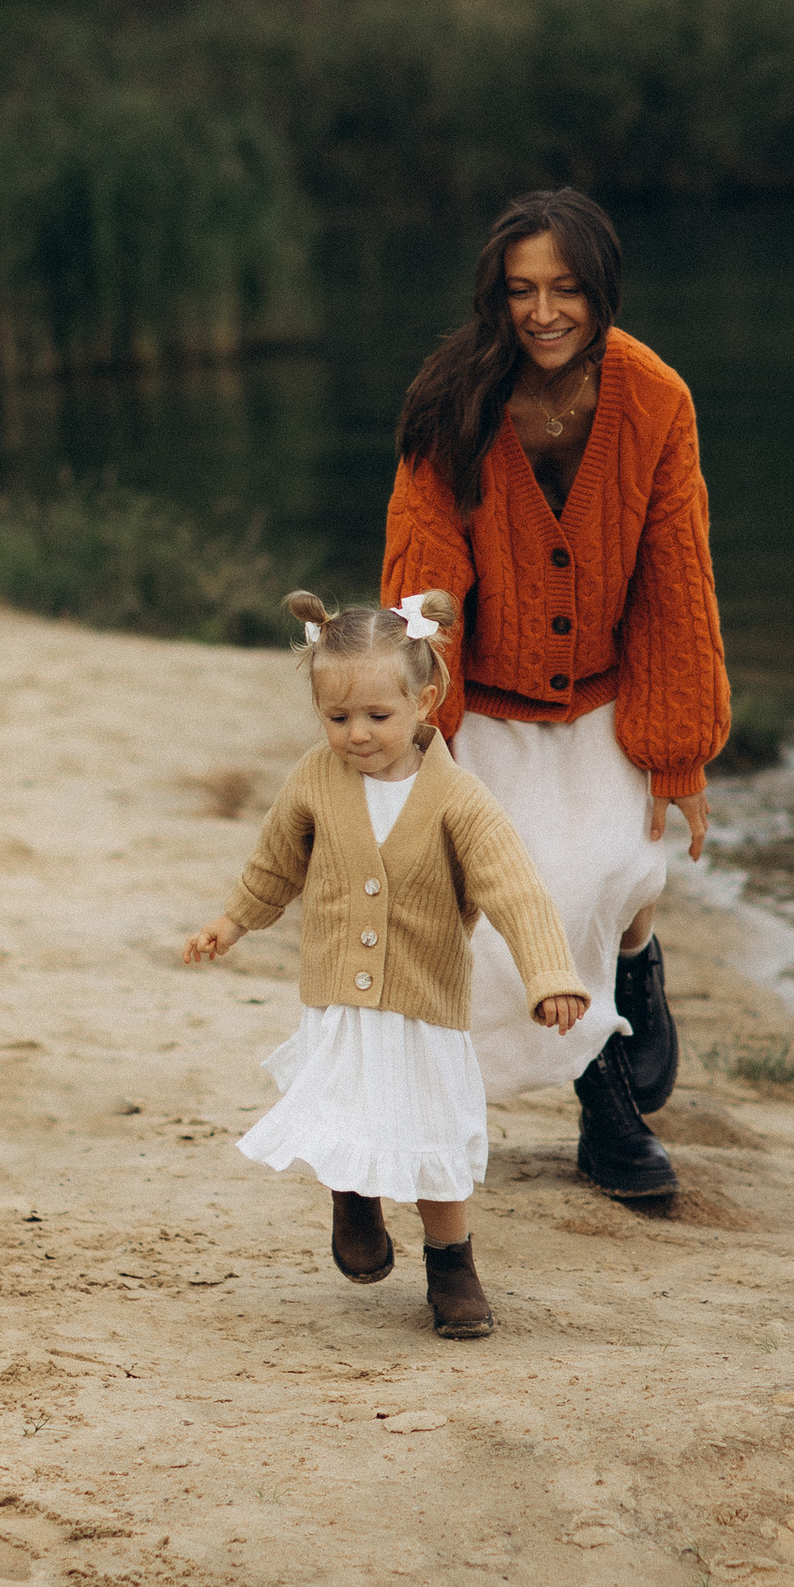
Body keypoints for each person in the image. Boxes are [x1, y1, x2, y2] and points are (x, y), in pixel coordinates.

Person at [383, 186, 730, 1202]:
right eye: (521, 291)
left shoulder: (655, 397)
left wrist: (679, 746)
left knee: (614, 875)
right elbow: (422, 587)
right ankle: (605, 1107)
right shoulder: (449, 402)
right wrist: (416, 741)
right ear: (495, 295)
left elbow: (677, 574)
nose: (543, 313)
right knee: (516, 910)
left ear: (602, 291)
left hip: (605, 702)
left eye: (566, 290)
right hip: (484, 705)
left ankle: (636, 974)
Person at [183, 590, 588, 1336]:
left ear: (424, 699)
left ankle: (452, 1264)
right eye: (337, 719)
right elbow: (276, 863)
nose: (357, 735)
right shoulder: (313, 778)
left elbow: (515, 889)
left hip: (423, 1003)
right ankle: (353, 1197)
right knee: (342, 1110)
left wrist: (550, 974)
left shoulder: (459, 799)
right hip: (340, 996)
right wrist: (233, 921)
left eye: (377, 716)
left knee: (433, 1133)